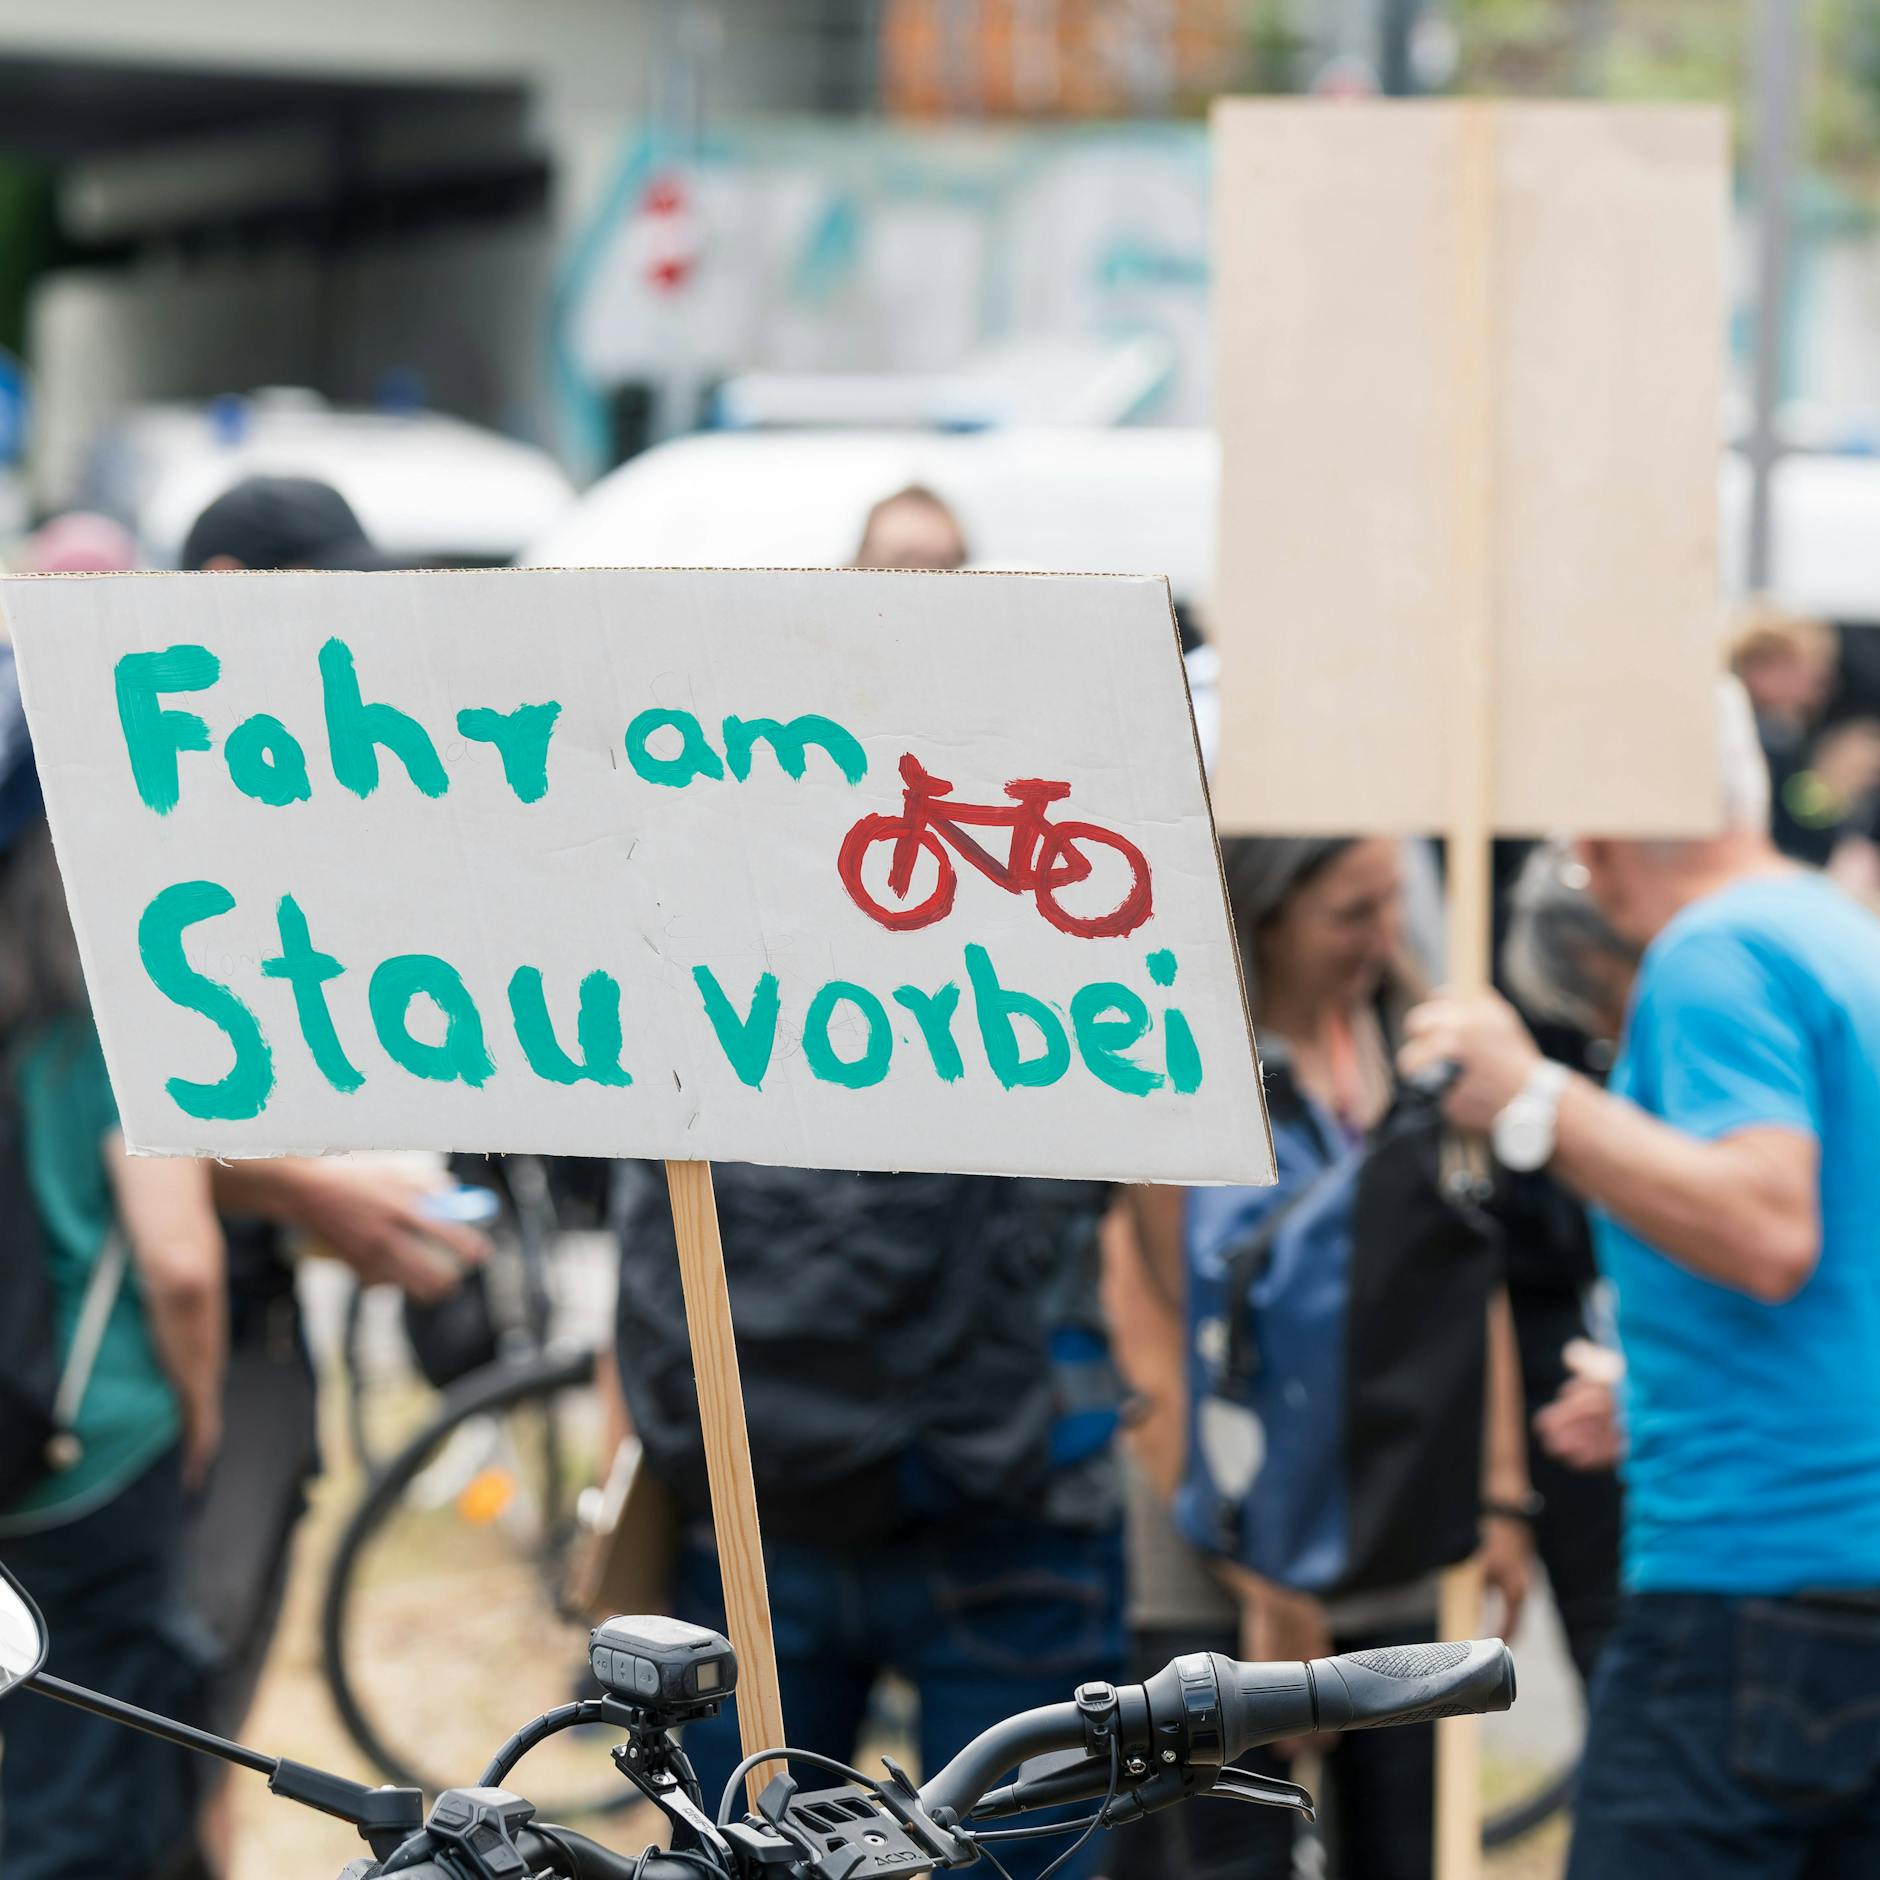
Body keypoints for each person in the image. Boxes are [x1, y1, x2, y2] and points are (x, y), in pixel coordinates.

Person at [1403, 680, 1880, 1878]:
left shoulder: (1712, 950)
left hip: (1752, 1584)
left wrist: (1529, 1095)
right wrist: (1675, 1374)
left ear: (1599, 837)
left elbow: (1768, 1226)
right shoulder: (1837, 936)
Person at [173, 476, 490, 1873]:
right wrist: (312, 1198)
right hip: (147, 1367)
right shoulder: (111, 793)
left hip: (243, 1341)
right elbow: (101, 1135)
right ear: (227, 584)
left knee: (202, 1732)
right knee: (147, 1724)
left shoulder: (255, 779)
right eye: (312, 591)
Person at [1159, 836, 1532, 1880]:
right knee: (1228, 1851)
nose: (1380, 938)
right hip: (1220, 1536)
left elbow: (1464, 1281)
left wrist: (1499, 1494)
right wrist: (1260, 1574)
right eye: (1346, 915)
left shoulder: (1411, 1049)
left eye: (1389, 905)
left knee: (1401, 1842)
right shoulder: (1178, 1056)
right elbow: (1153, 1314)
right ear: (1266, 913)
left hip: (1386, 1510)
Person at [0, 818, 226, 1880]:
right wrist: (205, 1410)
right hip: (96, 1440)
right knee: (86, 1777)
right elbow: (179, 1260)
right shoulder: (117, 1035)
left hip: (14, 1433)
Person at [1729, 601, 1880, 891]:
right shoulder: (1755, 744)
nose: (1819, 692)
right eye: (1813, 676)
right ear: (1765, 669)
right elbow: (1795, 835)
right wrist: (1831, 789)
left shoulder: (1774, 737)